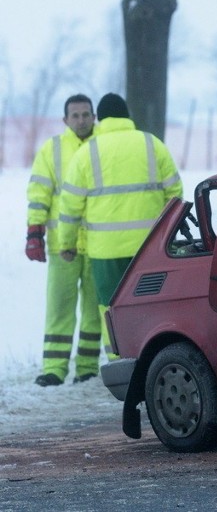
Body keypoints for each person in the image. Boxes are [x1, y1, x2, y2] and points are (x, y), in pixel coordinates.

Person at [57, 93, 183, 358]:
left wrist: (66, 243)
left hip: (106, 252)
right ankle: (151, 360)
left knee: (111, 308)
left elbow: (69, 208)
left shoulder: (87, 153)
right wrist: (168, 235)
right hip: (149, 249)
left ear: (99, 119)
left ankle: (119, 363)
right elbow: (175, 193)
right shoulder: (152, 144)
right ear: (127, 116)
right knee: (148, 304)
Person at [27, 94, 103, 386]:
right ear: (65, 120)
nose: (82, 120)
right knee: (58, 306)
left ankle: (87, 368)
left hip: (98, 242)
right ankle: (54, 369)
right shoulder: (53, 149)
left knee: (94, 310)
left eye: (86, 115)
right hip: (63, 244)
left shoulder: (102, 147)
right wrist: (35, 231)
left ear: (94, 116)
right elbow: (39, 193)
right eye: (76, 116)